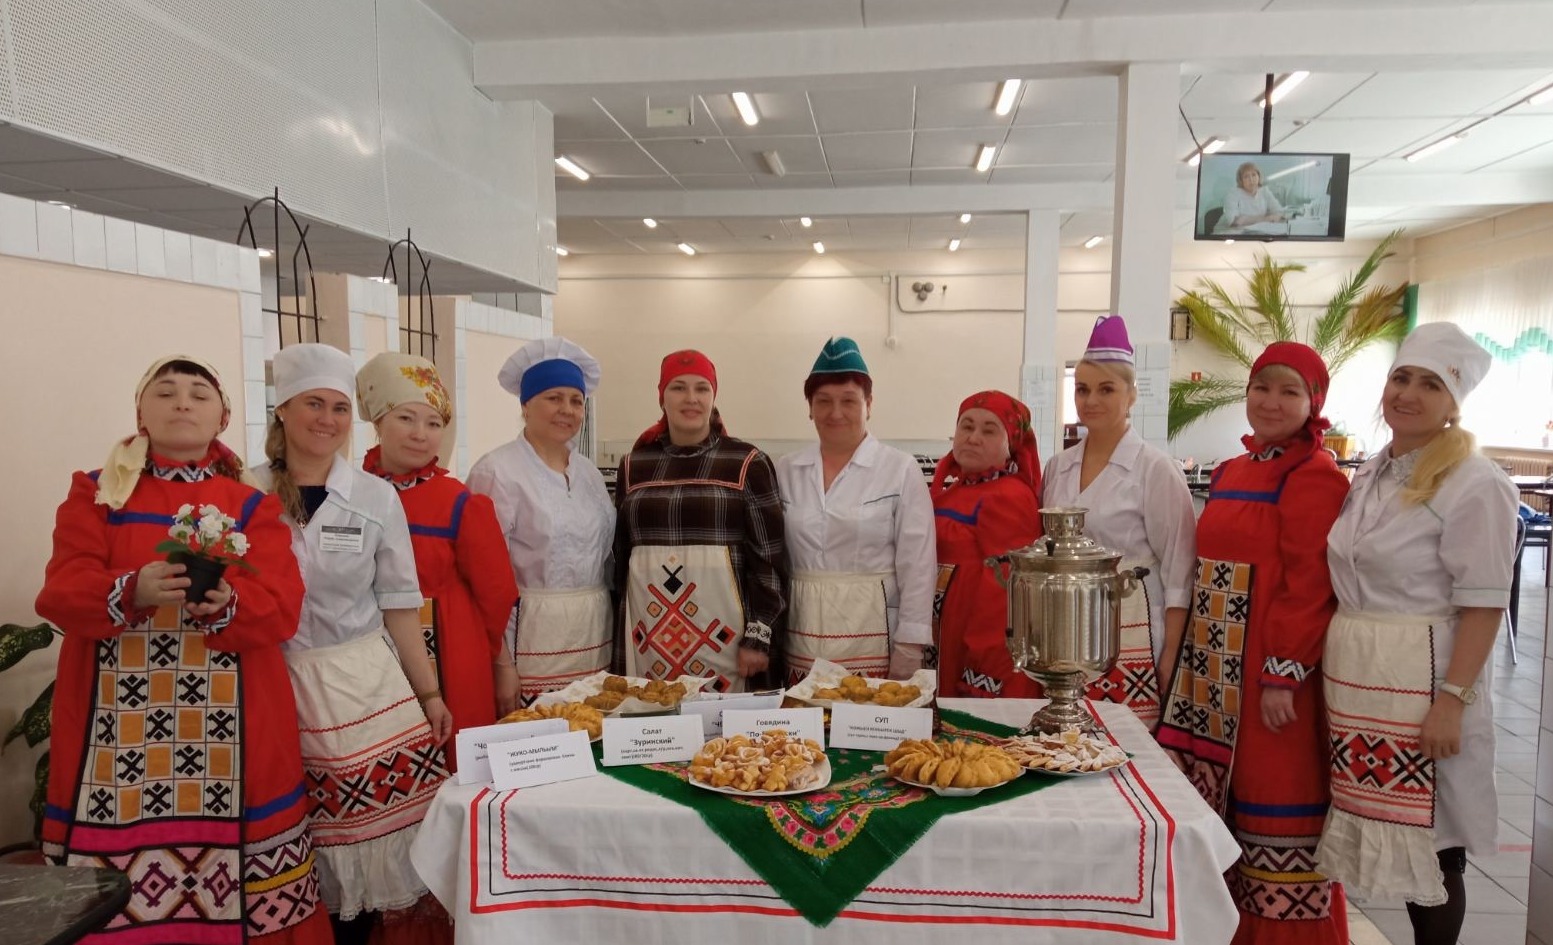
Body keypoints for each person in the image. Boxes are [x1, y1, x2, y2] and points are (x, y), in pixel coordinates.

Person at [35, 355, 331, 944]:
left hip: (237, 723)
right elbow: (61, 591)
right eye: (165, 392)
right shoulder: (98, 492)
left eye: (198, 394)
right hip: (117, 733)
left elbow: (283, 605)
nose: (182, 403)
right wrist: (131, 590)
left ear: (222, 417)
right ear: (140, 413)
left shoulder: (251, 502)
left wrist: (226, 602)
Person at [1316, 324, 1516, 945]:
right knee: (1390, 825)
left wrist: (1452, 700)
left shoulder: (1475, 482)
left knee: (1433, 842)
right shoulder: (1374, 472)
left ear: (1453, 403)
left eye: (1430, 384)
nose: (1408, 394)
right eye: (1400, 378)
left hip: (1425, 677)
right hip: (1363, 677)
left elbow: (1483, 602)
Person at [250, 343, 450, 945]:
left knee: (365, 852)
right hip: (272, 685)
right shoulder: (244, 491)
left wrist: (430, 694)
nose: (328, 419)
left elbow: (399, 605)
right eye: (314, 404)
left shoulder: (374, 497)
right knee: (292, 850)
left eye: (339, 408)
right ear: (283, 409)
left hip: (364, 692)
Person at [1155, 342, 1350, 945]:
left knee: (1276, 802)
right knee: (1222, 811)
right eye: (1261, 387)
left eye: (1289, 391)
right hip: (1214, 675)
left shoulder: (1314, 476)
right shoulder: (1233, 471)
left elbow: (1309, 585)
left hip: (1271, 680)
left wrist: (1282, 674)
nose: (1270, 402)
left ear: (1313, 402)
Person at [356, 352, 518, 761]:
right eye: (405, 418)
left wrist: (499, 663)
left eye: (433, 423)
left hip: (453, 652)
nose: (420, 434)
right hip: (370, 654)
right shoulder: (349, 494)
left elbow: (496, 593)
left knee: (456, 765)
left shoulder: (459, 502)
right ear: (378, 422)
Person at [1041, 317, 1196, 727]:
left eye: (1106, 389)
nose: (1091, 400)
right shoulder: (1057, 467)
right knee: (1066, 737)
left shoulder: (1155, 469)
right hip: (1067, 627)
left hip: (1132, 628)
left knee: (1125, 741)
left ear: (1131, 395)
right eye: (1082, 389)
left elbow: (1179, 573)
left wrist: (1170, 656)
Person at [615, 349, 786, 692]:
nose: (691, 398)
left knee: (725, 726)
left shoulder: (747, 462)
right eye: (678, 387)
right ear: (662, 397)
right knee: (654, 717)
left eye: (701, 388)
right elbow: (622, 557)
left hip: (729, 644)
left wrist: (759, 637)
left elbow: (769, 561)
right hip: (648, 641)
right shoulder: (633, 466)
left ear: (713, 396)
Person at [775, 337, 935, 683]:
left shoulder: (899, 469)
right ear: (810, 407)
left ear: (869, 404)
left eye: (848, 400)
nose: (836, 413)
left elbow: (918, 564)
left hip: (875, 638)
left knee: (867, 715)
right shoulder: (786, 470)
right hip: (801, 635)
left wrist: (910, 645)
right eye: (823, 401)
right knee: (804, 714)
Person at [466, 337, 614, 707]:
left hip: (594, 638)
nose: (567, 410)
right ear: (526, 404)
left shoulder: (589, 475)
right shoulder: (496, 471)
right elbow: (482, 576)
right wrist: (502, 663)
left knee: (593, 731)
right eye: (553, 398)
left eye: (576, 401)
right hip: (527, 645)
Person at [930, 390, 1043, 698]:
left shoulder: (1010, 496)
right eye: (966, 426)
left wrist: (982, 671)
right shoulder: (951, 493)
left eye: (989, 430)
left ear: (1011, 445)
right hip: (947, 638)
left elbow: (1005, 592)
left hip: (980, 650)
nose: (973, 438)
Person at [1221, 161, 1286, 230]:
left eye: (1254, 175)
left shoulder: (1264, 191)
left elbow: (1278, 211)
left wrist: (1274, 216)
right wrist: (1265, 219)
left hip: (1260, 230)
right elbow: (1233, 220)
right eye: (1246, 177)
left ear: (1259, 176)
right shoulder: (1233, 194)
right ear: (1241, 180)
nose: (1251, 180)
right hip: (1234, 232)